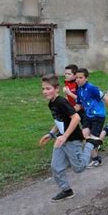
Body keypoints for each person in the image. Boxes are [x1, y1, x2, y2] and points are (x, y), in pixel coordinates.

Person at [39, 74, 100, 202]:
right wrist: (51, 134)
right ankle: (66, 190)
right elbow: (59, 120)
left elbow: (76, 118)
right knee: (56, 167)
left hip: (72, 139)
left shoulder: (61, 101)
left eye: (48, 88)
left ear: (57, 89)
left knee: (78, 168)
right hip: (62, 139)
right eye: (43, 89)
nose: (45, 92)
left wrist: (65, 136)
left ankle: (90, 143)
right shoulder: (51, 103)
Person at [75, 68, 108, 168]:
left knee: (92, 140)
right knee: (85, 136)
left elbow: (106, 98)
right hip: (87, 116)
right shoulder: (79, 90)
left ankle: (96, 159)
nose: (78, 80)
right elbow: (79, 106)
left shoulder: (92, 88)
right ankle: (107, 129)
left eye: (81, 77)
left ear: (86, 78)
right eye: (76, 78)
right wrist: (68, 112)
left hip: (98, 116)